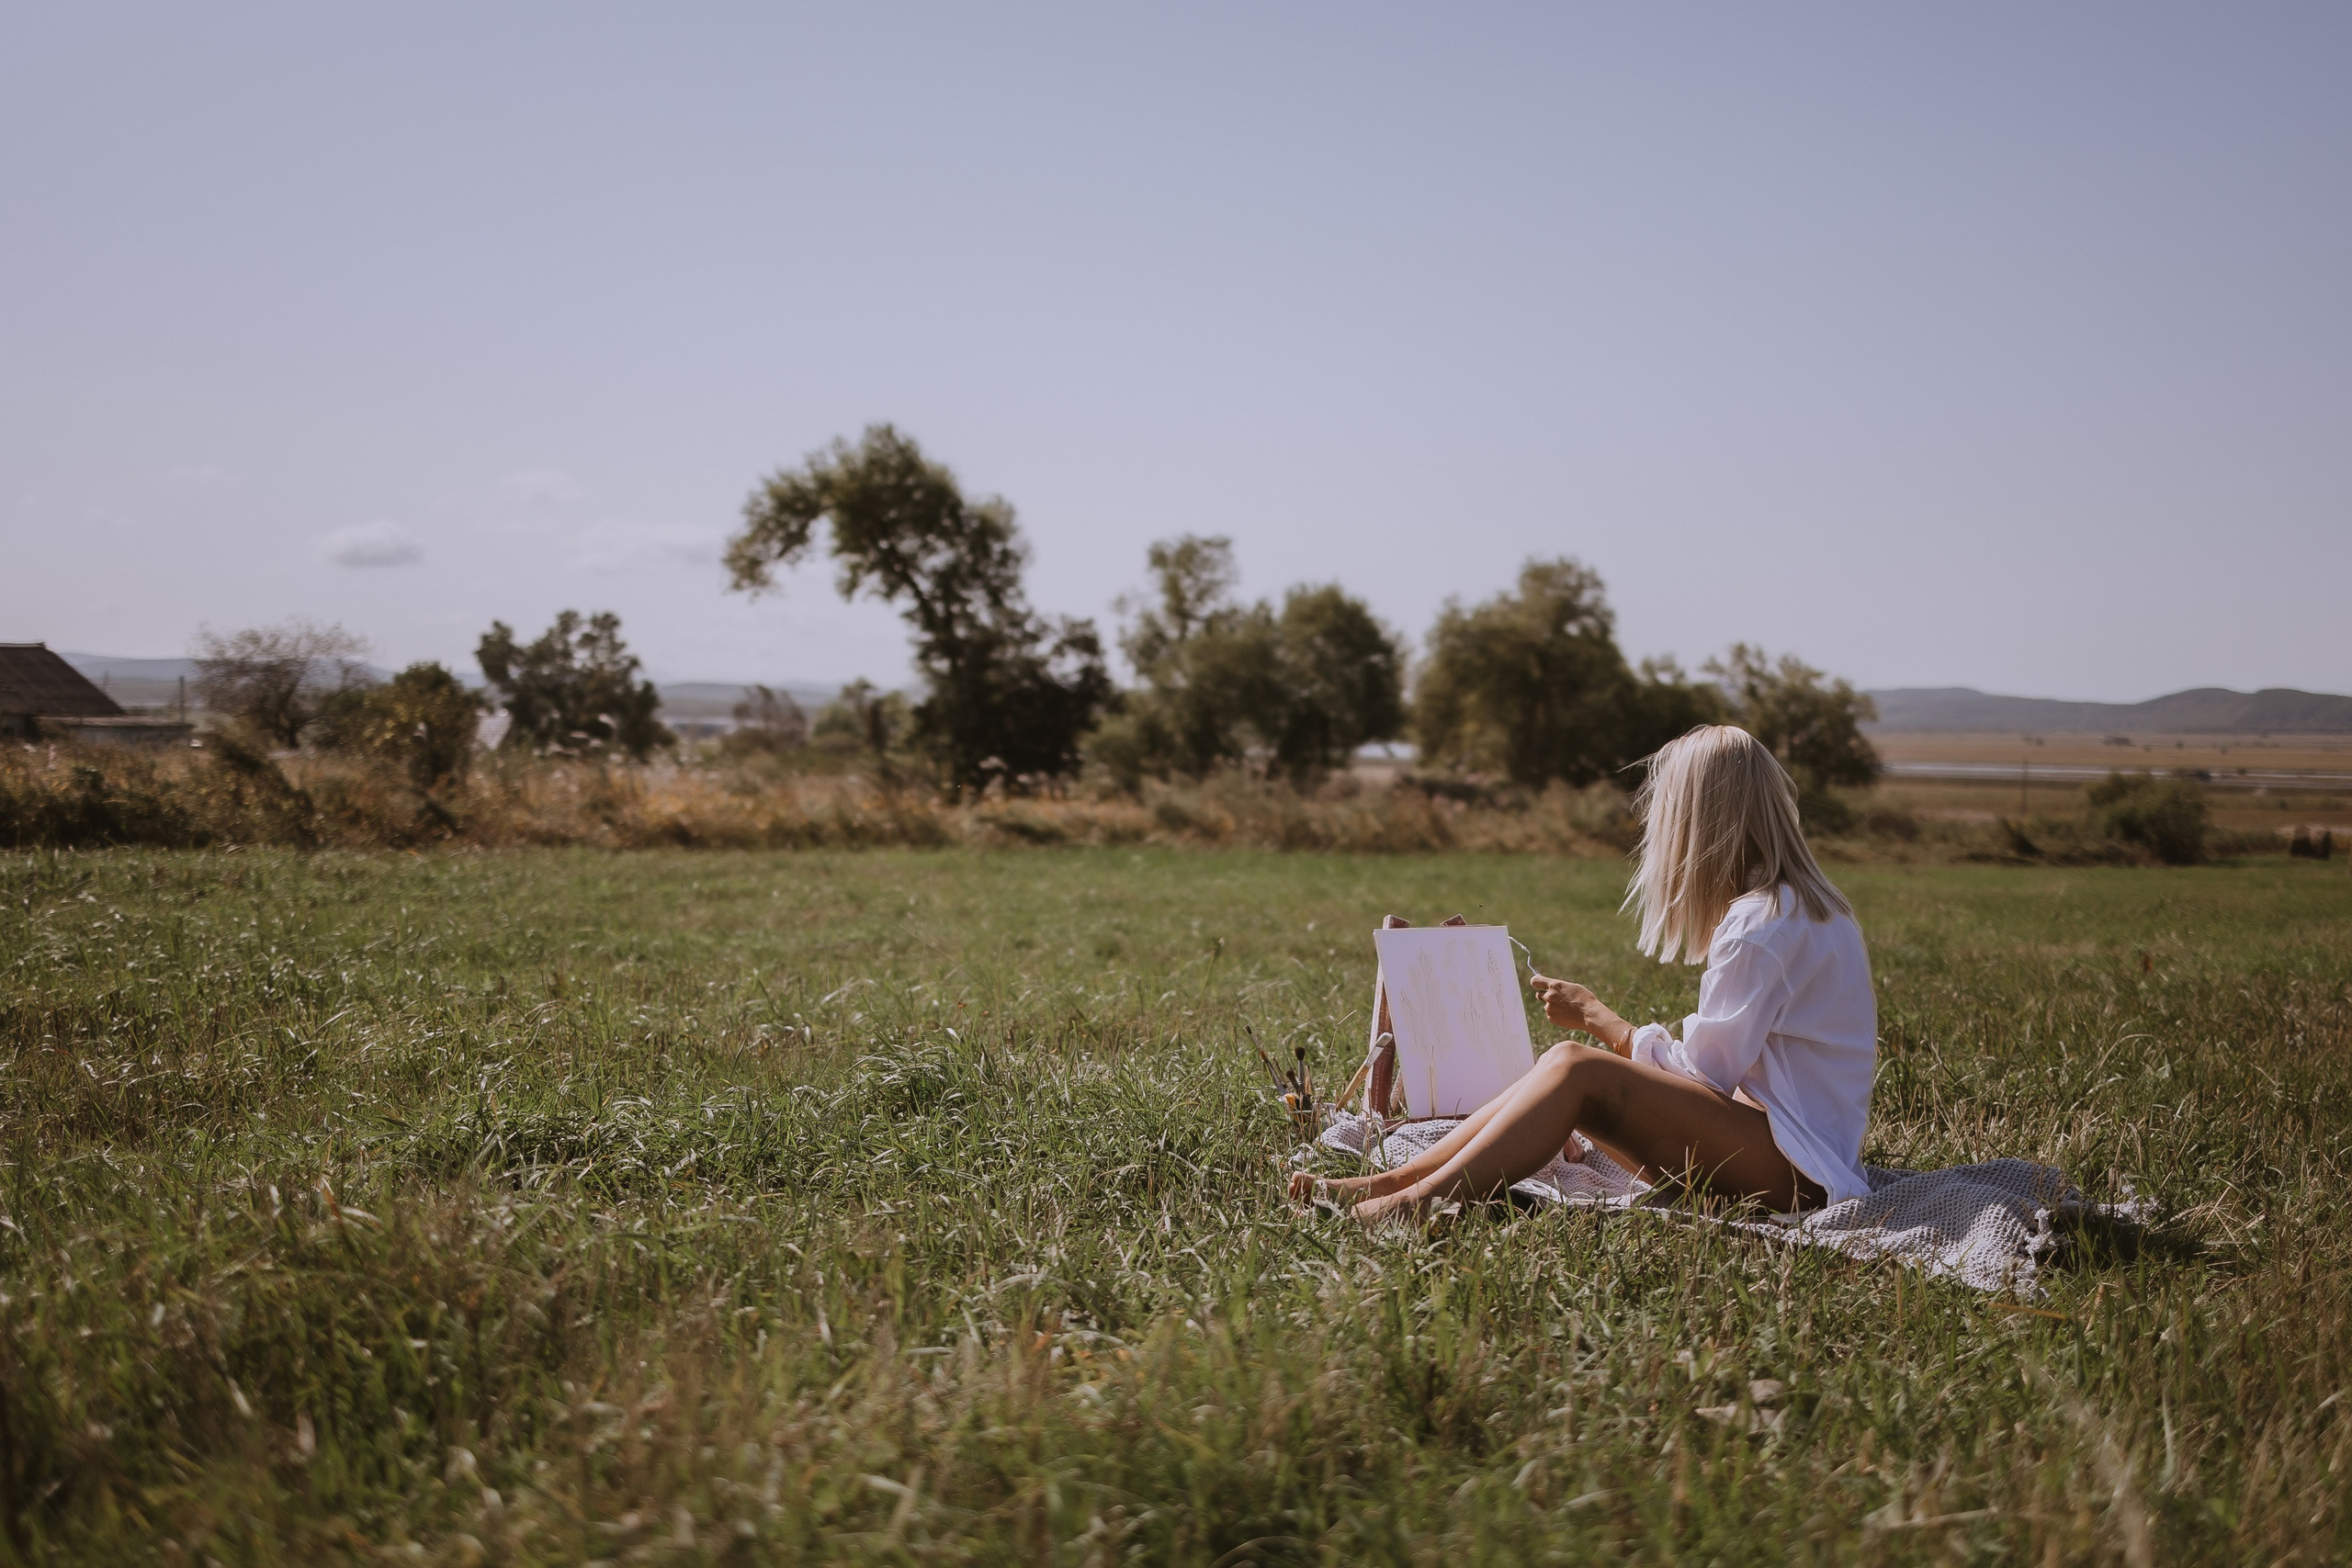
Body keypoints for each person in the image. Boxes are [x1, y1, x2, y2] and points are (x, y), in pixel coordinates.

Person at [1295, 725, 1877, 1225]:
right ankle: (1387, 1185)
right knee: (1563, 1064)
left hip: (1797, 1175)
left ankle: (1412, 1202)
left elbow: (1705, 1081)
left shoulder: (1760, 926)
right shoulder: (1806, 909)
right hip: (1799, 1155)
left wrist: (1603, 1022)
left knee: (1575, 1067)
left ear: (1697, 826)